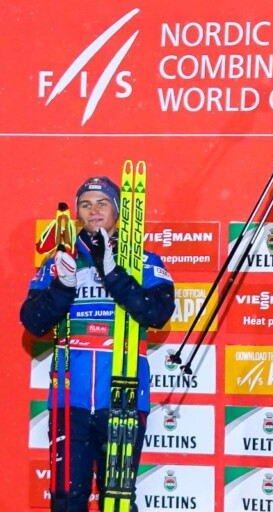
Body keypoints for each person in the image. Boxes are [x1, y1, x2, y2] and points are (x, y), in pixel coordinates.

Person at [20, 176, 176, 512]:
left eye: (102, 203)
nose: (94, 211)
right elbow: (33, 321)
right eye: (86, 204)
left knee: (116, 500)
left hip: (122, 395)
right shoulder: (58, 262)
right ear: (77, 212)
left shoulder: (146, 262)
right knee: (66, 498)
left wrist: (114, 272)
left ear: (117, 212)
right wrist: (62, 286)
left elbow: (157, 312)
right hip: (68, 398)